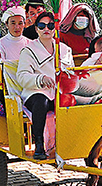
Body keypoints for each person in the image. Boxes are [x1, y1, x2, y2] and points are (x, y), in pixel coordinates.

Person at [18, 11, 74, 160]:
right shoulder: (28, 50)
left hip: (58, 92)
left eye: (50, 25)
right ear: (36, 29)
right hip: (35, 93)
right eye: (42, 26)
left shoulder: (64, 49)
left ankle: (73, 140)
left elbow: (72, 73)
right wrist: (40, 79)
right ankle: (39, 144)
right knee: (40, 101)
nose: (46, 29)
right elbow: (22, 76)